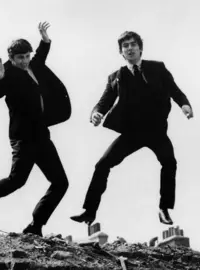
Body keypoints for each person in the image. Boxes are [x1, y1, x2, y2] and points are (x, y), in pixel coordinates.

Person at [70, 31, 193, 226]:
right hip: (132, 133)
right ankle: (89, 211)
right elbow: (103, 102)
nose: (129, 48)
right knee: (102, 165)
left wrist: (185, 105)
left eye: (132, 44)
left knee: (169, 162)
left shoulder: (157, 68)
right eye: (125, 46)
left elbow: (174, 90)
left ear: (140, 48)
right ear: (121, 52)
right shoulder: (116, 77)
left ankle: (164, 208)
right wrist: (96, 114)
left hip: (156, 131)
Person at [0, 22, 72, 237]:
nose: (24, 62)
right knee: (16, 181)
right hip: (23, 138)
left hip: (42, 136)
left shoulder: (34, 65)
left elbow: (41, 54)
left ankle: (35, 225)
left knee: (60, 182)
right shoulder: (8, 73)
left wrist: (45, 39)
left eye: (26, 57)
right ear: (12, 59)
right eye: (19, 58)